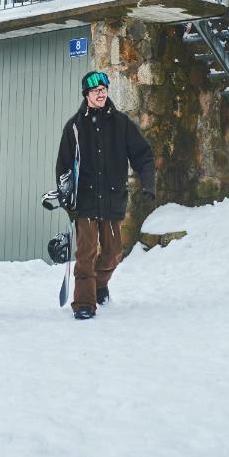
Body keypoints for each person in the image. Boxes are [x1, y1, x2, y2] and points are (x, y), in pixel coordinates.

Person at [56, 70, 155, 320]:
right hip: (85, 202)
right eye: (95, 91)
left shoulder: (121, 124)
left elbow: (142, 155)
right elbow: (64, 167)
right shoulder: (75, 127)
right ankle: (84, 303)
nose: (100, 94)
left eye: (103, 90)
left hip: (112, 199)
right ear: (86, 95)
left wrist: (148, 183)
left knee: (113, 252)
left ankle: (100, 285)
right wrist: (66, 196)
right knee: (85, 254)